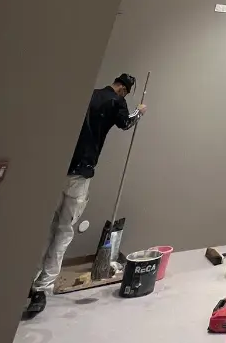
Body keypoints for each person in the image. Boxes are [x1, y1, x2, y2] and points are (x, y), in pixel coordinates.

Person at [23, 74, 146, 319]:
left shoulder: (89, 94)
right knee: (64, 230)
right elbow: (125, 123)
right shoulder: (116, 101)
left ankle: (27, 280)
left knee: (46, 226)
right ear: (123, 89)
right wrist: (140, 111)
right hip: (81, 173)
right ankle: (42, 287)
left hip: (60, 168)